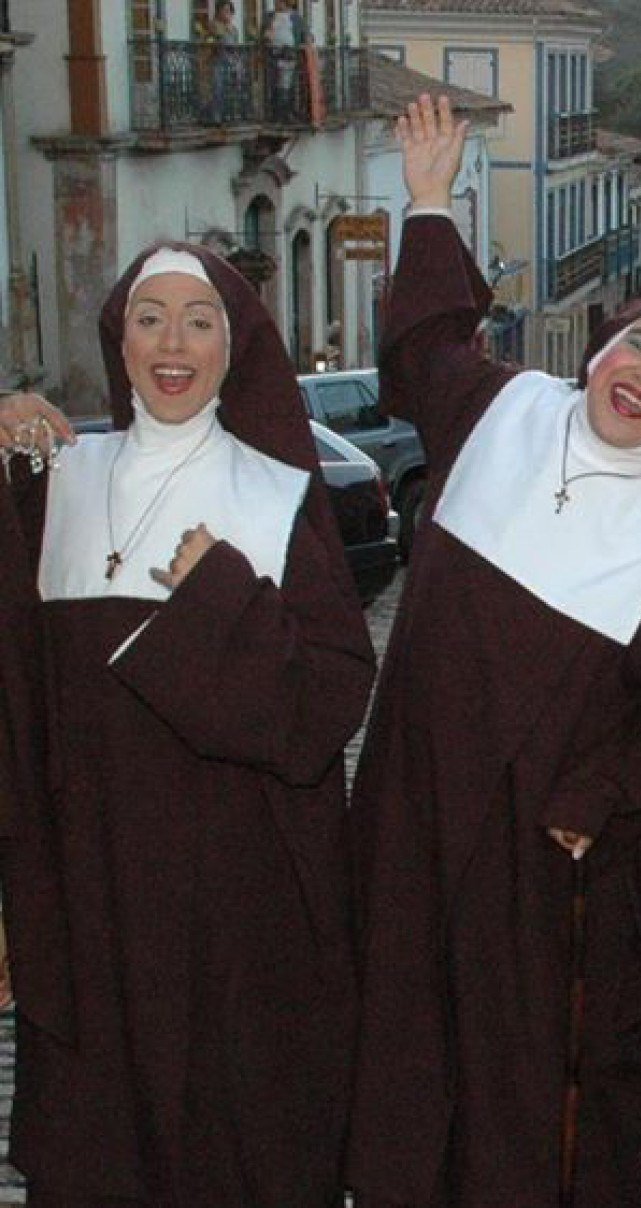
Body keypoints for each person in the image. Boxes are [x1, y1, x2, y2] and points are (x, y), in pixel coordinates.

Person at [346, 97, 641, 1208]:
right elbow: (423, 347)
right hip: (411, 814)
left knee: (513, 1101)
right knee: (397, 1057)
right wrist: (427, 204)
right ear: (604, 347)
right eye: (640, 343)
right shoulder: (502, 409)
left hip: (530, 863)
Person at [0, 240, 376, 1206]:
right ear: (118, 341)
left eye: (198, 322)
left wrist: (219, 598)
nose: (173, 344)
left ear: (233, 346)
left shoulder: (277, 493)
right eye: (150, 319)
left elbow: (326, 703)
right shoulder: (55, 482)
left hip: (238, 920)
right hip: (93, 904)